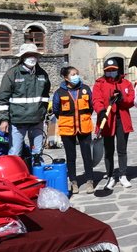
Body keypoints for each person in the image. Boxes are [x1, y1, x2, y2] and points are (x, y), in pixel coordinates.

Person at [0, 43, 50, 164]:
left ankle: (37, 178)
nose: (32, 57)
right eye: (28, 55)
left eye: (34, 54)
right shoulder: (12, 74)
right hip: (17, 122)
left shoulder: (42, 74)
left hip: (37, 121)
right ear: (22, 57)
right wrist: (3, 120)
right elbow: (1, 99)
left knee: (37, 153)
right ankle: (13, 179)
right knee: (15, 153)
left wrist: (43, 114)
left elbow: (45, 97)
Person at [93, 59, 135, 190]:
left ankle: (122, 175)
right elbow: (96, 99)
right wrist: (100, 112)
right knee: (108, 151)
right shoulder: (99, 84)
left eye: (113, 70)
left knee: (122, 150)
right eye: (108, 70)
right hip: (107, 120)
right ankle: (110, 176)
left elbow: (131, 101)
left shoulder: (126, 83)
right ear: (105, 71)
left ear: (118, 70)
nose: (111, 72)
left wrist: (122, 98)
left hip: (122, 120)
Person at [52, 66, 95, 194]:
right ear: (66, 78)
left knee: (87, 155)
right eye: (72, 74)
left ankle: (90, 180)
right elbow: (56, 110)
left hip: (84, 127)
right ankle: (73, 182)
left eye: (77, 73)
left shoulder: (85, 89)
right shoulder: (59, 92)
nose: (76, 76)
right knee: (71, 157)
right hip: (67, 128)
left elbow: (91, 107)